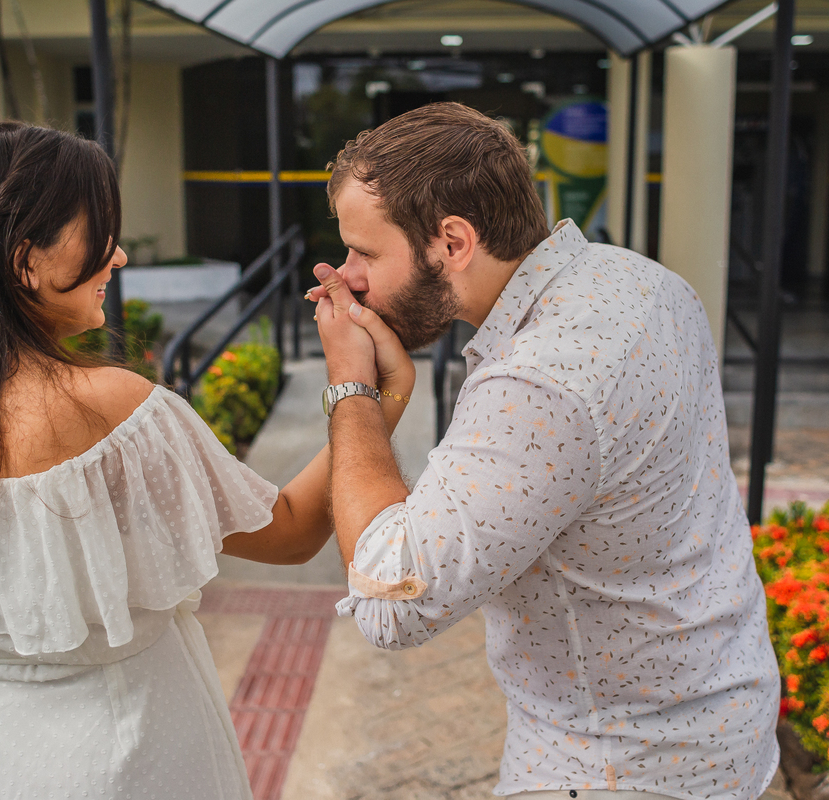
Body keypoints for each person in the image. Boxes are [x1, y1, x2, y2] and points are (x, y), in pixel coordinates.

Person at [0, 121, 413, 799]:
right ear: (26, 259)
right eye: (98, 235)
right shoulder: (117, 412)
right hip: (129, 754)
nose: (117, 257)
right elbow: (287, 534)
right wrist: (373, 397)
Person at [307, 102, 781, 800]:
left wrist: (352, 385)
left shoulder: (539, 382)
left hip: (617, 766)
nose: (346, 276)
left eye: (366, 253)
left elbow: (390, 597)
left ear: (453, 241)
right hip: (719, 726)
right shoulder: (645, 283)